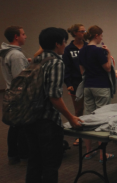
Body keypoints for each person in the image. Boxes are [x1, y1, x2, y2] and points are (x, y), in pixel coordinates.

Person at [24, 27, 83, 183]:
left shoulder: (35, 59)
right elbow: (54, 96)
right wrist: (70, 118)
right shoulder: (56, 62)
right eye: (64, 42)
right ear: (58, 44)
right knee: (50, 165)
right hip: (47, 121)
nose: (65, 45)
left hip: (30, 117)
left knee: (34, 162)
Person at [78, 25, 114, 161]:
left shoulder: (82, 51)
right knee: (102, 119)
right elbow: (108, 68)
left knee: (87, 118)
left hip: (88, 86)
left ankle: (88, 151)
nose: (102, 38)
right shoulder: (99, 51)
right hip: (101, 86)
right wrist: (109, 54)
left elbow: (82, 71)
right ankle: (102, 153)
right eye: (101, 36)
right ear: (96, 36)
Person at [0, 26, 30, 165]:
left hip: (11, 93)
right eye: (23, 34)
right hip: (19, 95)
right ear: (16, 37)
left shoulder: (8, 53)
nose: (25, 36)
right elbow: (20, 80)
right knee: (23, 126)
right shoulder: (16, 55)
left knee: (15, 125)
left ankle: (13, 154)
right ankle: (24, 156)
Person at [63, 24, 88, 146]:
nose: (84, 33)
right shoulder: (68, 49)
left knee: (91, 108)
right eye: (81, 31)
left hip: (89, 81)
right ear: (74, 33)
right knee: (78, 110)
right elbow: (66, 68)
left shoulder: (88, 46)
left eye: (85, 31)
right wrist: (68, 83)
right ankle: (79, 135)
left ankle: (91, 133)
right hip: (75, 82)